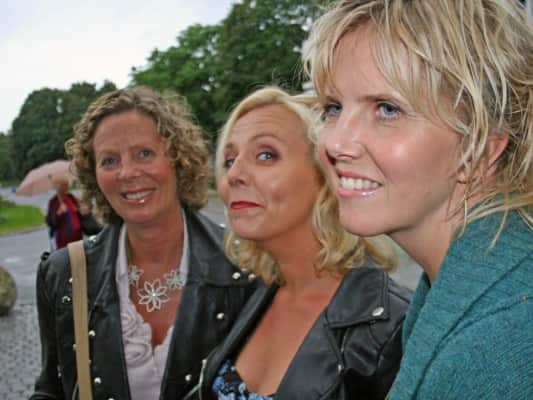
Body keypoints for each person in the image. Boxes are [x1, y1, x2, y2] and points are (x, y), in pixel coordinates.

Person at [303, 0, 533, 398]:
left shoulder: (499, 344)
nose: (335, 142)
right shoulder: (472, 286)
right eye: (334, 107)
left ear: (481, 147)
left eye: (387, 109)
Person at [31, 86, 256, 400]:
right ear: (94, 175)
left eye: (144, 154)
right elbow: (51, 390)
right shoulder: (64, 274)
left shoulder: (246, 266)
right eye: (109, 160)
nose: (127, 172)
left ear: (178, 158)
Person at [196, 86, 411, 400]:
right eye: (229, 160)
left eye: (266, 155)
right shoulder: (249, 293)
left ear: (326, 175)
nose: (234, 175)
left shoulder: (392, 327)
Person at [45, 176, 82, 249]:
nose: (67, 187)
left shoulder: (71, 197)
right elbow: (51, 222)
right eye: (64, 185)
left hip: (78, 237)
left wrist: (81, 207)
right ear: (58, 187)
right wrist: (58, 213)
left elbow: (79, 214)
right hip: (64, 241)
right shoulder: (53, 202)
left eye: (67, 184)